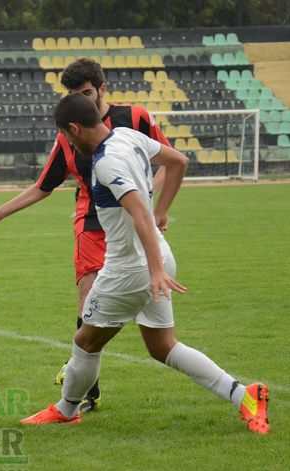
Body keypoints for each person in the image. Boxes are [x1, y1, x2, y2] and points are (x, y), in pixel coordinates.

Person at [20, 93, 270, 435]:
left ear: (75, 129)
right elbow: (179, 161)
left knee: (85, 341)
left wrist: (153, 268)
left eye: (64, 134)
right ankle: (246, 396)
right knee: (162, 346)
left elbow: (138, 212)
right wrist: (162, 212)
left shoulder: (105, 162)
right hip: (158, 254)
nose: (65, 141)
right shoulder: (128, 135)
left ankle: (66, 410)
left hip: (130, 268)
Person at [0, 58, 171, 413]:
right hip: (92, 223)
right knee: (87, 297)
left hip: (133, 220)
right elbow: (43, 185)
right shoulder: (69, 134)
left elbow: (169, 162)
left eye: (87, 93)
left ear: (102, 88)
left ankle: (79, 384)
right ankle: (85, 395)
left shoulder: (136, 118)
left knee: (148, 325)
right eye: (75, 95)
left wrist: (154, 205)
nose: (82, 101)